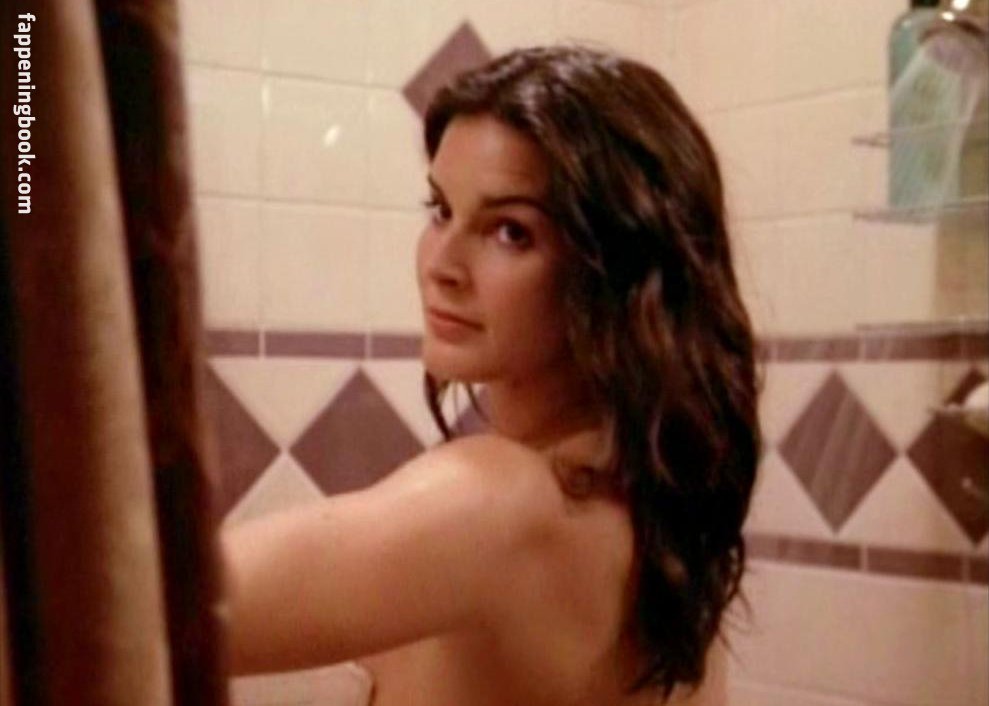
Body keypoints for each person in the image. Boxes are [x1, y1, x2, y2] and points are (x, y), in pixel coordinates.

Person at [223, 45, 761, 706]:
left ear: (616, 272)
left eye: (510, 231)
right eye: (440, 210)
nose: (441, 264)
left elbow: (148, 605)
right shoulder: (667, 518)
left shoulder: (497, 501)